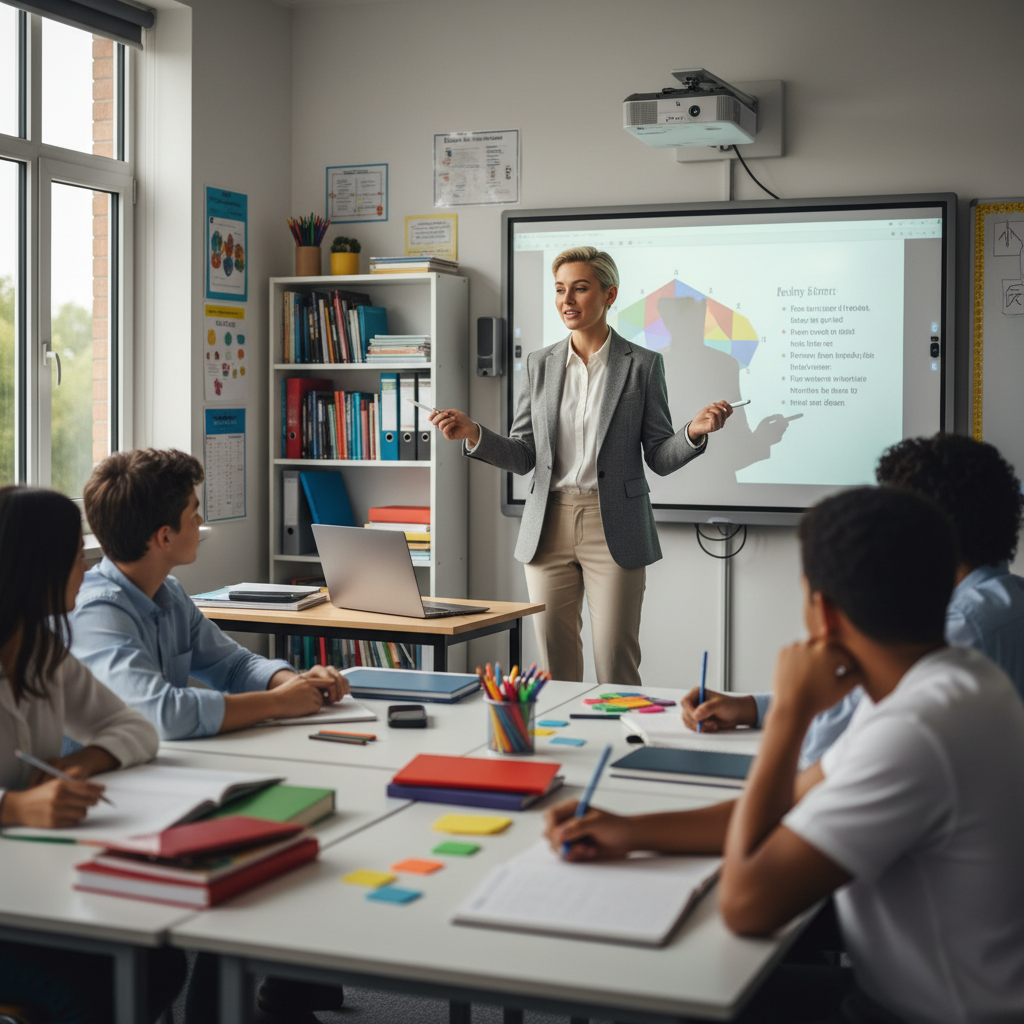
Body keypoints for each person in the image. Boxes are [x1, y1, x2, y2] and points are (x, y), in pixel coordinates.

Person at [545, 486, 1024, 1023]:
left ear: (824, 612)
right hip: (933, 993)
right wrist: (631, 832)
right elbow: (794, 801)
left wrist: (791, 716)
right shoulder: (949, 681)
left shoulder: (915, 729)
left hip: (915, 1014)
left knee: (673, 990)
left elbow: (745, 904)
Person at [430, 246, 733, 686]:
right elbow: (525, 454)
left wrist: (693, 432)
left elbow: (659, 457)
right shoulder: (539, 364)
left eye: (579, 288)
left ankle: (617, 731)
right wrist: (474, 433)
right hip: (547, 524)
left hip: (615, 525)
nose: (566, 300)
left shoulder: (643, 365)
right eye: (559, 290)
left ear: (609, 295)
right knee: (555, 668)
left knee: (615, 662)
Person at [682, 433, 1024, 766]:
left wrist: (798, 691)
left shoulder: (956, 630)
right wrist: (750, 708)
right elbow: (853, 702)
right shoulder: (1007, 600)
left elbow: (825, 746)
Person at [0, 485, 185, 1024]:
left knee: (158, 963)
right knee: (91, 991)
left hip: (28, 880)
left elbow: (134, 728)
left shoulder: (41, 652)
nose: (86, 570)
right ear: (34, 568)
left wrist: (80, 763)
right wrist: (13, 807)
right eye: (75, 558)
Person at [68, 448, 349, 740]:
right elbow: (163, 714)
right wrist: (277, 702)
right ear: (165, 536)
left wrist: (295, 684)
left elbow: (235, 666)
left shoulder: (170, 593)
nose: (200, 519)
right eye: (193, 513)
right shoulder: (96, 612)